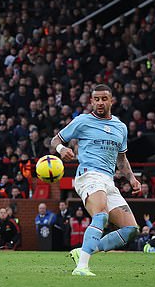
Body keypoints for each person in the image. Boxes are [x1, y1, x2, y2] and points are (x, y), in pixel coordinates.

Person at [52, 84, 139, 276]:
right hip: (88, 175)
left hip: (109, 180)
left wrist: (131, 178)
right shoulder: (82, 121)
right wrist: (62, 150)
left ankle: (83, 251)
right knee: (101, 215)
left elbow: (121, 159)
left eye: (104, 99)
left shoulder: (120, 127)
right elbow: (55, 140)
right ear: (91, 101)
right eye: (96, 99)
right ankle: (81, 267)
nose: (100, 103)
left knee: (131, 229)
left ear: (111, 101)